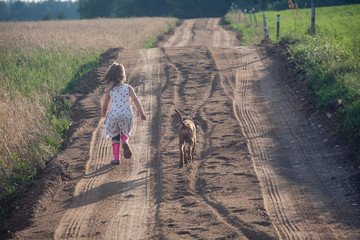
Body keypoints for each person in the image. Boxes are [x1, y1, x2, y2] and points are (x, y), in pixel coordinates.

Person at [102, 62, 146, 164]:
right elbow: (135, 100)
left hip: (113, 115)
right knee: (125, 132)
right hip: (126, 115)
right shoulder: (128, 87)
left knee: (115, 135)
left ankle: (116, 158)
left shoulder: (110, 90)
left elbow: (105, 106)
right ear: (123, 75)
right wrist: (142, 113)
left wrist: (104, 115)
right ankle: (125, 142)